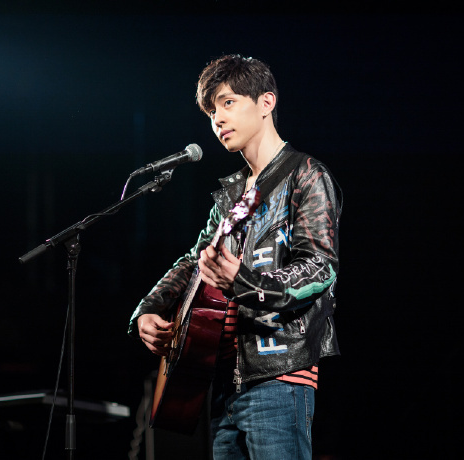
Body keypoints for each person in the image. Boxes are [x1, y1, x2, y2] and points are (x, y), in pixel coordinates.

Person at [128, 55, 342, 459]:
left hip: (279, 375)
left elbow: (320, 269)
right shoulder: (232, 194)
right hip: (223, 382)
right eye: (211, 111)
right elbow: (193, 261)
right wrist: (149, 308)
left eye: (228, 103)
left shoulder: (306, 174)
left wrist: (241, 281)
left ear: (266, 102)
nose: (218, 119)